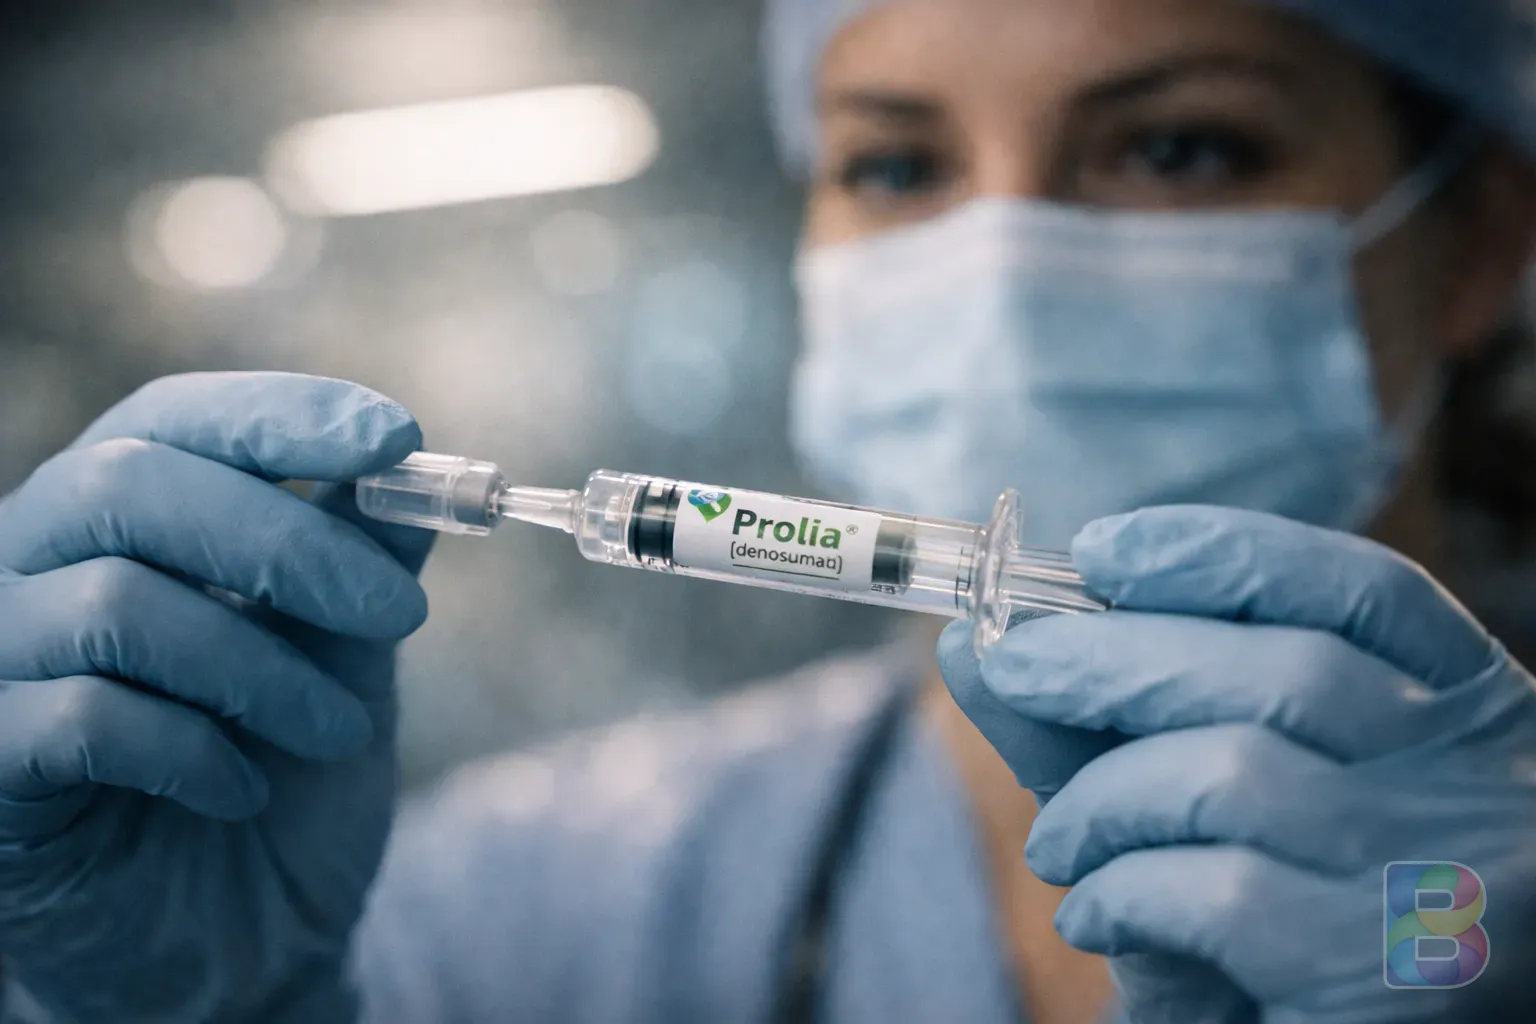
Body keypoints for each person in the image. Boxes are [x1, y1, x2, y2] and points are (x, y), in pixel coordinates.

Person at [3, 0, 1536, 1020]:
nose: (998, 267)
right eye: (895, 161)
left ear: (1478, 238)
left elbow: (1450, 929)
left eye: (1178, 146)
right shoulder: (526, 911)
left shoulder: (1496, 877)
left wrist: (1455, 939)